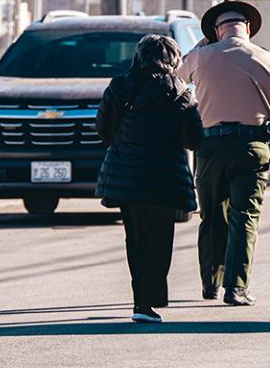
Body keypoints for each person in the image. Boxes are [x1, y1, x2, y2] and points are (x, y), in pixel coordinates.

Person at [178, 0, 270, 307]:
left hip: (210, 147)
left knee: (211, 215)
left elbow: (177, 79)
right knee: (245, 216)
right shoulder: (269, 60)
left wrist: (204, 46)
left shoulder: (200, 57)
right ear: (248, 30)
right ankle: (236, 286)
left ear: (217, 31)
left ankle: (209, 283)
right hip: (253, 147)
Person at [95, 34, 202, 323]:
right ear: (173, 59)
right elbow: (194, 138)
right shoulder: (182, 92)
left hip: (127, 177)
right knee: (159, 240)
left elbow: (103, 129)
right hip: (165, 179)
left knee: (136, 239)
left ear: (139, 57)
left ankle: (141, 303)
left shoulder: (120, 86)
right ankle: (151, 299)